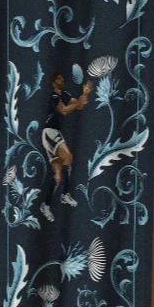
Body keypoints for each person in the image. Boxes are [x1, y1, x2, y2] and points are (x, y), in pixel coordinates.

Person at [39, 73, 92, 222]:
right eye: (59, 79)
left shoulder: (65, 94)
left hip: (54, 134)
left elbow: (78, 106)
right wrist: (79, 101)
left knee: (58, 176)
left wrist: (85, 94)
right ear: (53, 83)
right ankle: (65, 195)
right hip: (50, 132)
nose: (62, 80)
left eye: (62, 78)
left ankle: (45, 204)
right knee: (68, 157)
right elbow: (64, 110)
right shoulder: (54, 96)